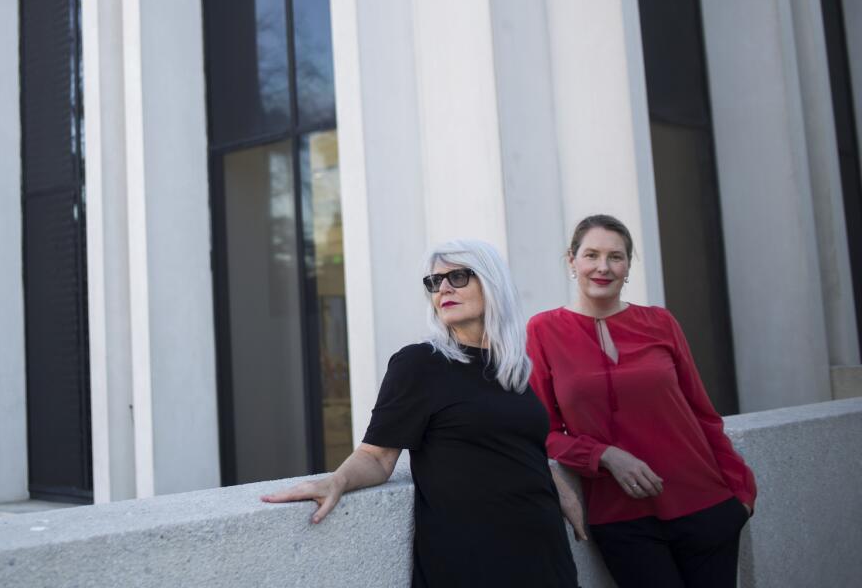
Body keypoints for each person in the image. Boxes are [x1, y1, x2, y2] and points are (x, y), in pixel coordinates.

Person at [262, 240, 582, 587]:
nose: (443, 288)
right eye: (434, 281)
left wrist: (557, 484)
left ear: (492, 283)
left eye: (457, 277)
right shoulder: (420, 364)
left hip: (544, 554)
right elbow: (377, 457)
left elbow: (519, 444)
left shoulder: (514, 367)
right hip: (471, 562)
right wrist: (337, 480)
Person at [527, 214, 757, 588]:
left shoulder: (660, 323)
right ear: (572, 261)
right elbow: (542, 432)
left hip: (706, 506)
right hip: (622, 521)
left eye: (616, 257)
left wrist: (741, 493)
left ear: (628, 266)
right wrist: (604, 456)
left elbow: (703, 414)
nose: (603, 267)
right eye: (591, 255)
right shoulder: (543, 330)